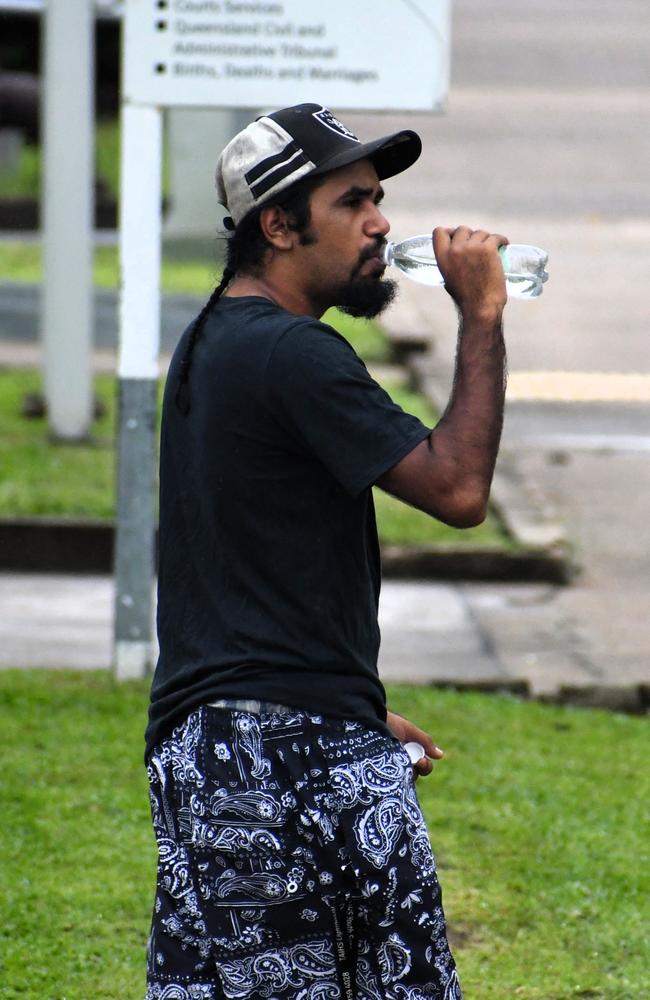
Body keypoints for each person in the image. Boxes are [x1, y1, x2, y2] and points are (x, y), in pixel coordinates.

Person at [144, 103, 508, 1000]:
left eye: (378, 198)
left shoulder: (213, 344)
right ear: (278, 223)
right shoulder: (293, 353)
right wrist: (485, 314)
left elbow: (241, 565)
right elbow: (457, 490)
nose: (383, 222)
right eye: (354, 202)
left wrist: (342, 706)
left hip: (228, 744)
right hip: (278, 756)